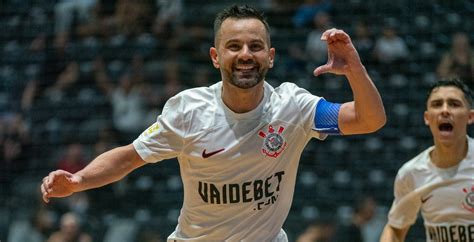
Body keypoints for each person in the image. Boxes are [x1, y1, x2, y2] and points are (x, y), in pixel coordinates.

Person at [41, 5, 386, 241]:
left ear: (271, 56)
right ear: (215, 56)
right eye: (233, 46)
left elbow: (370, 119)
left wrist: (354, 68)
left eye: (255, 46)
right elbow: (130, 156)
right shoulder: (188, 110)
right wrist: (79, 179)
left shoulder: (294, 106)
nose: (246, 54)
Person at [380, 79, 474, 242]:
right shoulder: (411, 173)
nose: (445, 110)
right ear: (427, 117)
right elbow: (395, 228)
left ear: (470, 116)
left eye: (454, 104)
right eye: (437, 104)